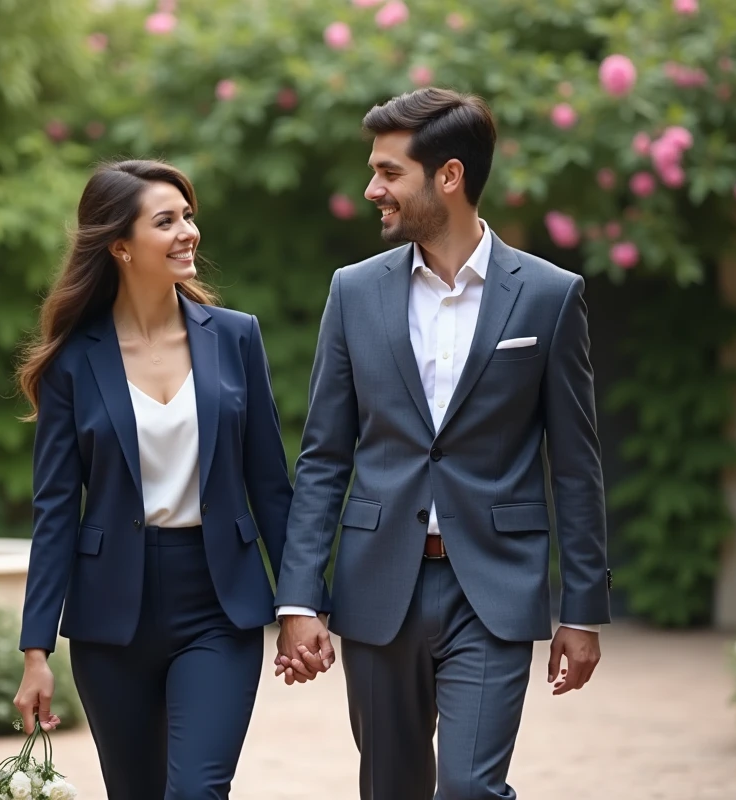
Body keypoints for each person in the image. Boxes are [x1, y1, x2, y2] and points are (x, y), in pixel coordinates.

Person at [273, 87, 613, 800]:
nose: (373, 189)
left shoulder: (550, 295)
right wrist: (300, 597)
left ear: (448, 176)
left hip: (491, 585)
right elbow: (325, 455)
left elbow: (577, 466)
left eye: (390, 172)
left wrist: (581, 610)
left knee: (469, 789)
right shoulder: (354, 291)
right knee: (391, 788)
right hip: (377, 584)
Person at [13, 159, 293, 799]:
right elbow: (55, 511)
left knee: (197, 791)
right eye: (166, 221)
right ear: (119, 245)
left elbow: (270, 485)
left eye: (188, 216)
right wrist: (36, 651)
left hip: (218, 604)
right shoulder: (70, 363)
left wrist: (301, 602)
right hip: (111, 616)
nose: (188, 231)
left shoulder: (235, 337)